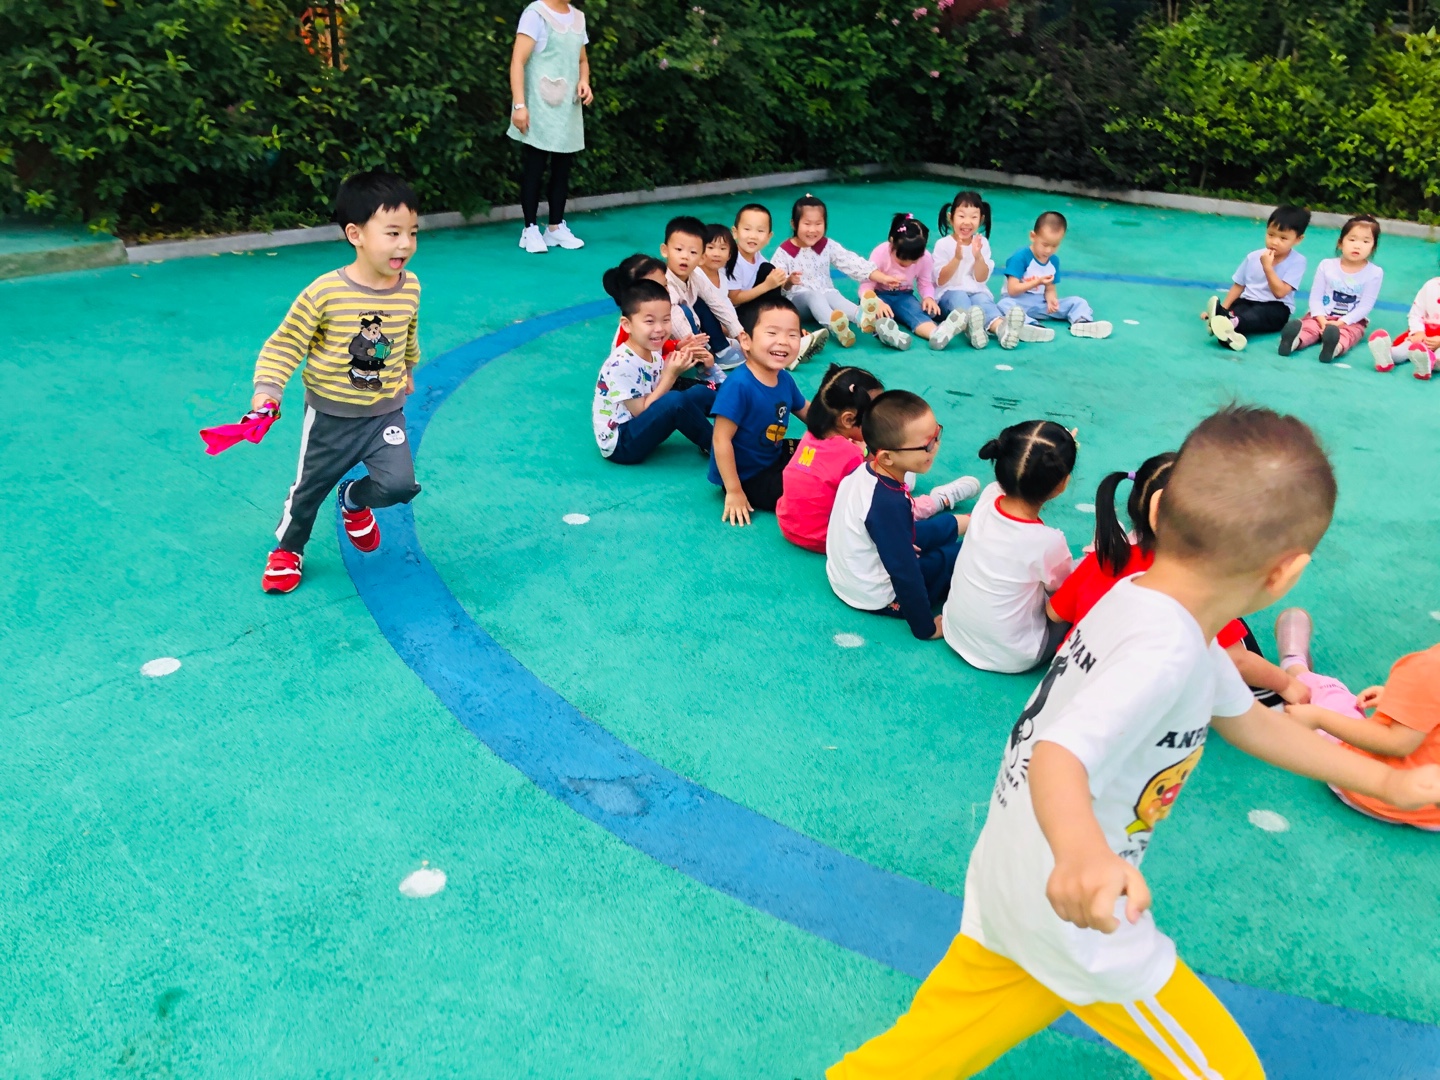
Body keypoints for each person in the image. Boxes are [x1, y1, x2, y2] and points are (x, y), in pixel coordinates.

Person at [829, 405, 1440, 1080]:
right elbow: (1060, 754)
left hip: (1016, 877)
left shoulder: (1148, 603)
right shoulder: (1166, 649)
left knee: (921, 1055)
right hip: (1080, 911)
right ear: (1285, 574)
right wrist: (1083, 855)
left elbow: (1249, 719)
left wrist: (1389, 780)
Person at [249, 171, 423, 595]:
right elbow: (285, 343)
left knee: (399, 485)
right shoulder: (325, 292)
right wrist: (268, 391)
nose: (405, 244)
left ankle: (354, 500)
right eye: (393, 232)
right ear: (355, 234)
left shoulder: (410, 287)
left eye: (413, 233)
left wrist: (407, 368)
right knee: (308, 491)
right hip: (330, 417)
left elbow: (407, 333)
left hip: (385, 414)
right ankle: (288, 549)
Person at [1050, 454, 1311, 707]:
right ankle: (1295, 666)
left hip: (1068, 686)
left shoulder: (1101, 557)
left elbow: (1055, 612)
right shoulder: (1194, 584)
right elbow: (1237, 661)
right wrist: (1286, 684)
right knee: (1254, 669)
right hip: (1132, 705)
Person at [777, 364, 980, 553]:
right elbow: (878, 503)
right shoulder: (850, 454)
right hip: (827, 538)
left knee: (897, 478)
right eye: (874, 417)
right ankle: (941, 500)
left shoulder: (810, 436)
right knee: (901, 507)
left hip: (790, 527)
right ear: (848, 419)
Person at [1277, 608, 1440, 830]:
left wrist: (1319, 718)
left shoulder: (1427, 669)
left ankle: (1294, 667)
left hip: (1381, 789)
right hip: (1434, 812)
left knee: (1331, 695)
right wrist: (1404, 700)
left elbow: (1396, 743)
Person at [826, 392, 971, 640]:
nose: (936, 446)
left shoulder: (863, 472)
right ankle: (967, 527)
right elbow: (905, 573)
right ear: (887, 457)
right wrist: (925, 628)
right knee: (954, 555)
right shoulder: (888, 504)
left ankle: (964, 522)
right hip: (878, 596)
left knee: (919, 533)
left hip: (848, 575)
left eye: (937, 434)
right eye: (927, 445)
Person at [942, 420, 1076, 673]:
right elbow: (1062, 588)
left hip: (955, 631)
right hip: (1012, 657)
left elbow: (1026, 457)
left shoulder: (989, 496)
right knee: (1079, 585)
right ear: (1062, 484)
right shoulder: (1049, 542)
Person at [709, 294, 810, 524]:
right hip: (748, 476)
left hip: (774, 453)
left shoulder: (784, 378)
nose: (783, 341)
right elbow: (721, 440)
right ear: (746, 341)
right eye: (772, 333)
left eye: (792, 335)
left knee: (815, 453)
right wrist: (734, 490)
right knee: (805, 490)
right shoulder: (739, 385)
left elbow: (806, 410)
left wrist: (838, 434)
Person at [592, 280, 714, 464]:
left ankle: (744, 422)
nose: (660, 328)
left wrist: (677, 362)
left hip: (639, 425)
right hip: (622, 443)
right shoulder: (622, 364)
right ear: (627, 325)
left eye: (666, 319)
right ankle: (719, 447)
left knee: (699, 392)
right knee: (675, 401)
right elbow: (640, 411)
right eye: (649, 321)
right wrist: (670, 375)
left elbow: (654, 391)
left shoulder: (653, 352)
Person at [508, 0, 592, 254]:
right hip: (538, 107)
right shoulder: (535, 14)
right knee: (534, 167)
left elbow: (582, 60)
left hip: (567, 108)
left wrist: (585, 81)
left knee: (562, 169)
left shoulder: (578, 18)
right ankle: (530, 229)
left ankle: (555, 227)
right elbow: (517, 61)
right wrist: (519, 106)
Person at [771, 194, 900, 347]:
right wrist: (789, 282)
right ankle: (835, 326)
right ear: (794, 224)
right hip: (797, 303)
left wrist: (883, 278)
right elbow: (775, 287)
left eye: (818, 224)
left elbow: (851, 262)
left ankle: (861, 318)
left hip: (825, 297)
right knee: (814, 295)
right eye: (807, 224)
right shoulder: (785, 251)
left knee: (833, 295)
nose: (813, 230)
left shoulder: (826, 245)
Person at [1204, 204, 1310, 352]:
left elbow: (1280, 293)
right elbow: (1239, 286)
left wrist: (1267, 267)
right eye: (1271, 235)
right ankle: (1225, 321)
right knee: (1239, 309)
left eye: (1283, 238)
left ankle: (1226, 321)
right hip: (1248, 301)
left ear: (1298, 239)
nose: (1274, 241)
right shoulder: (1253, 257)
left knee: (1257, 315)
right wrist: (1224, 307)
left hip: (1276, 307)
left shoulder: (1298, 261)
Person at [1279, 214, 1383, 363]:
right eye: (1352, 239)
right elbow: (1315, 297)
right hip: (1321, 315)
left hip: (1351, 321)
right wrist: (1321, 319)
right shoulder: (1326, 265)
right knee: (1309, 328)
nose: (1357, 245)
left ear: (1373, 247)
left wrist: (1342, 322)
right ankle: (1293, 342)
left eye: (1366, 241)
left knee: (1348, 335)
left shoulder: (1375, 272)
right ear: (1340, 243)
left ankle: (1333, 348)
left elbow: (1365, 306)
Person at [932, 190, 1026, 350]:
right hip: (949, 292)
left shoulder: (982, 243)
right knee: (960, 299)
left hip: (976, 290)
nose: (967, 222)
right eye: (962, 216)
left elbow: (981, 279)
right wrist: (957, 258)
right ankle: (972, 329)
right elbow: (941, 280)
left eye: (973, 217)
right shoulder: (943, 244)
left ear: (981, 219)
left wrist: (978, 257)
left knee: (983, 302)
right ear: (950, 217)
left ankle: (1002, 329)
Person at [997, 211, 1112, 340]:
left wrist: (1052, 300)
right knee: (1004, 304)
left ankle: (1081, 322)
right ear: (1033, 236)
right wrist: (1037, 282)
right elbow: (1012, 290)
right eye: (1045, 244)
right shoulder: (1020, 257)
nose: (1048, 250)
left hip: (1040, 302)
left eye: (1055, 245)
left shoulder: (1053, 261)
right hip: (1018, 301)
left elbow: (1050, 288)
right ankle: (1030, 325)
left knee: (1078, 301)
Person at [861, 213, 965, 352]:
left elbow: (925, 282)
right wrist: (875, 302)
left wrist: (928, 297)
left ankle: (936, 334)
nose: (907, 264)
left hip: (904, 296)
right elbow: (866, 284)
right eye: (902, 260)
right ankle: (890, 335)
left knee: (917, 313)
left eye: (913, 261)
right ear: (892, 243)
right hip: (877, 295)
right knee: (874, 315)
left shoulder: (925, 257)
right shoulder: (880, 253)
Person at [1367, 273, 1440, 380]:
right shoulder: (1431, 285)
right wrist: (1418, 332)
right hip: (1426, 331)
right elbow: (1415, 313)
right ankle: (1387, 356)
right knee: (1409, 346)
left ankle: (1430, 364)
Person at [726, 204, 794, 317]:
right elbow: (733, 299)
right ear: (735, 232)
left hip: (749, 307)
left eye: (760, 231)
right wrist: (767, 285)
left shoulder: (758, 258)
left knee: (769, 270)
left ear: (768, 237)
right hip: (731, 315)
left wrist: (787, 282)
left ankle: (778, 320)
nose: (753, 236)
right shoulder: (732, 259)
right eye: (747, 229)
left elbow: (775, 285)